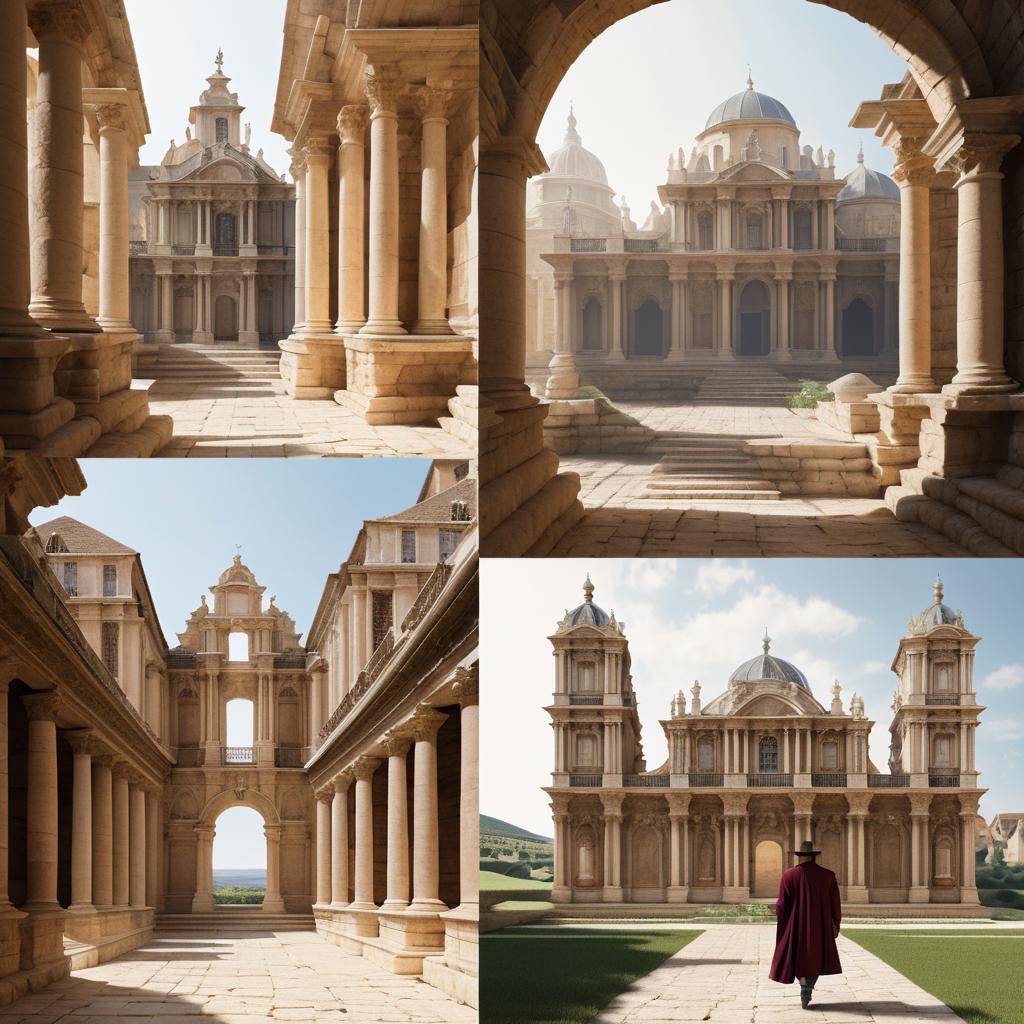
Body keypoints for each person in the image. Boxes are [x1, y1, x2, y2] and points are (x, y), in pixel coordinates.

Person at [769, 839, 843, 1009]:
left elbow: (782, 905)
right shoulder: (828, 876)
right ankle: (807, 987)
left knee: (798, 957)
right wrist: (836, 923)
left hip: (796, 925)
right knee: (816, 957)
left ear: (800, 857)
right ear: (814, 857)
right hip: (820, 925)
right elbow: (835, 904)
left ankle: (805, 987)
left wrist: (782, 922)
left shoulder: (789, 876)